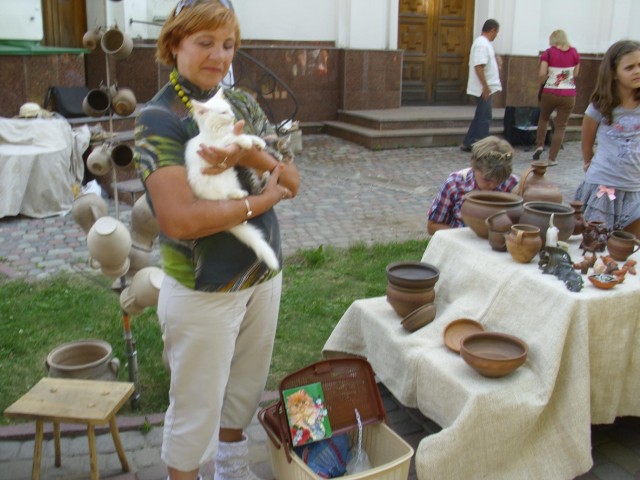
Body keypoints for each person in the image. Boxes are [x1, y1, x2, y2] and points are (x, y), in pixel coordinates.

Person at [134, 1, 300, 479]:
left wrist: (248, 158)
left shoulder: (243, 103)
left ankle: (230, 466)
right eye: (204, 42)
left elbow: (291, 179)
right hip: (203, 289)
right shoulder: (159, 117)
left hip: (262, 275)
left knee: (245, 388)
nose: (219, 55)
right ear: (174, 44)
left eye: (227, 44)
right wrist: (262, 199)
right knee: (194, 412)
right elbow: (181, 220)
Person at [574, 40, 640, 236]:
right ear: (613, 73)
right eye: (629, 67)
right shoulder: (599, 107)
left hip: (635, 188)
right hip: (604, 187)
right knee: (596, 241)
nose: (637, 71)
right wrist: (588, 163)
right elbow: (586, 142)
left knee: (630, 245)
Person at [427, 136, 518, 235]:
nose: (492, 185)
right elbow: (432, 226)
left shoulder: (513, 184)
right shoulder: (455, 184)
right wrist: (466, 236)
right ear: (473, 165)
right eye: (487, 179)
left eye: (500, 180)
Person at [532, 30, 580, 166]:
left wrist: (545, 79)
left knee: (544, 118)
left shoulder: (548, 53)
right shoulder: (574, 53)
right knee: (561, 126)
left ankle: (539, 145)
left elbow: (542, 73)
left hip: (550, 91)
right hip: (569, 93)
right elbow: (576, 73)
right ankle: (552, 158)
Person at [460, 19, 502, 153]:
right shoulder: (481, 44)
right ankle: (483, 148)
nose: (496, 35)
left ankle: (468, 142)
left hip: (485, 87)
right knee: (485, 117)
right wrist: (485, 87)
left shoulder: (485, 44)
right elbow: (479, 66)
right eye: (497, 32)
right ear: (492, 30)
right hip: (483, 88)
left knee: (480, 115)